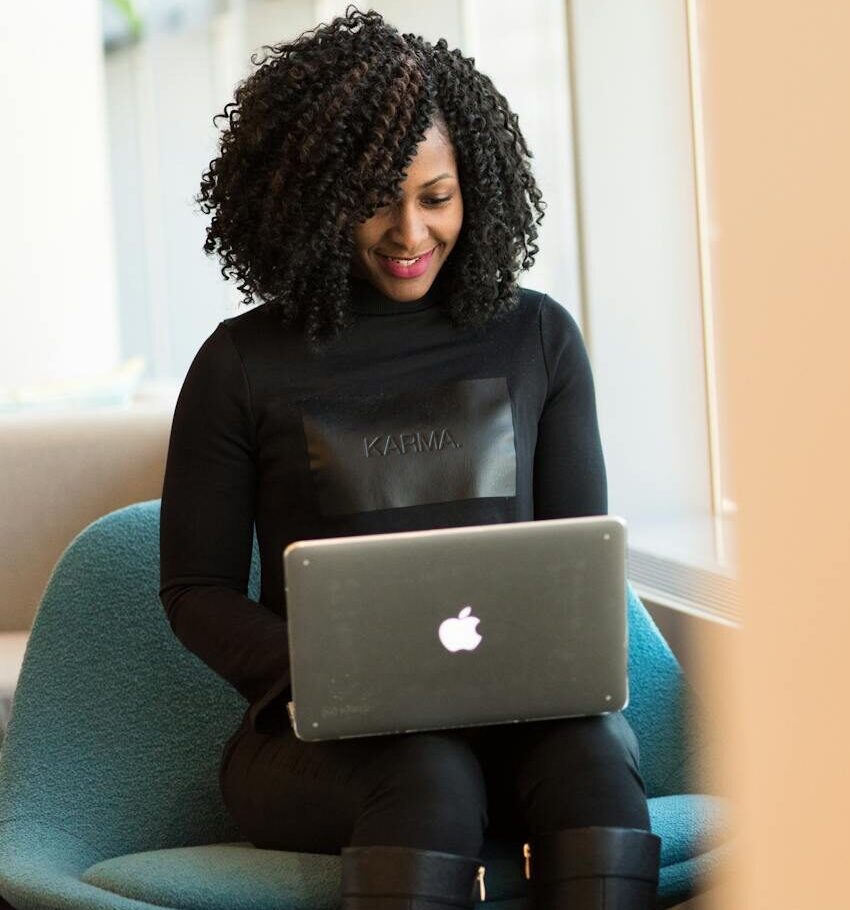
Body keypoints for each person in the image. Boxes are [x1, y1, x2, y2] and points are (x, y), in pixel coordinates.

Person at [158, 6, 661, 910]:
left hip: (526, 723)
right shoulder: (240, 363)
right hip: (325, 742)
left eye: (436, 197)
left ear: (476, 187)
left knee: (591, 763)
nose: (407, 232)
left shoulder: (538, 338)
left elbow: (577, 564)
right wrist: (334, 679)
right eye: (372, 199)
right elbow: (195, 592)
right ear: (312, 198)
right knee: (430, 774)